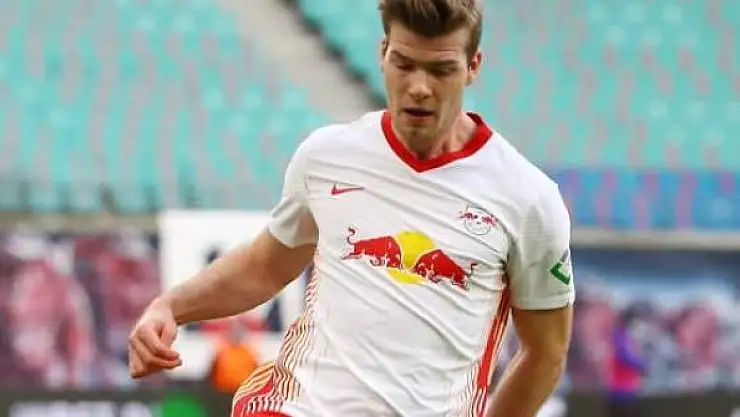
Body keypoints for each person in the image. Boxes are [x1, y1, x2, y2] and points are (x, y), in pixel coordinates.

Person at [128, 0, 575, 416]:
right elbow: (264, 268)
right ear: (382, 53)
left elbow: (546, 351)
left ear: (473, 66)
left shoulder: (528, 198)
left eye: (441, 70)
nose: (419, 87)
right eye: (404, 64)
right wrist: (170, 307)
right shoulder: (327, 155)